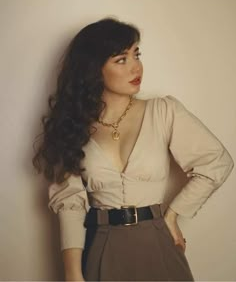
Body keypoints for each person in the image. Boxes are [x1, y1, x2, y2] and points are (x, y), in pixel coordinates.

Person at [32, 17, 234, 281]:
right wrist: (73, 274)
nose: (136, 67)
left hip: (158, 243)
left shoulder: (163, 111)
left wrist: (173, 216)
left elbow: (216, 162)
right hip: (102, 247)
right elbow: (69, 204)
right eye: (121, 59)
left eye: (136, 54)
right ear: (94, 70)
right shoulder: (73, 128)